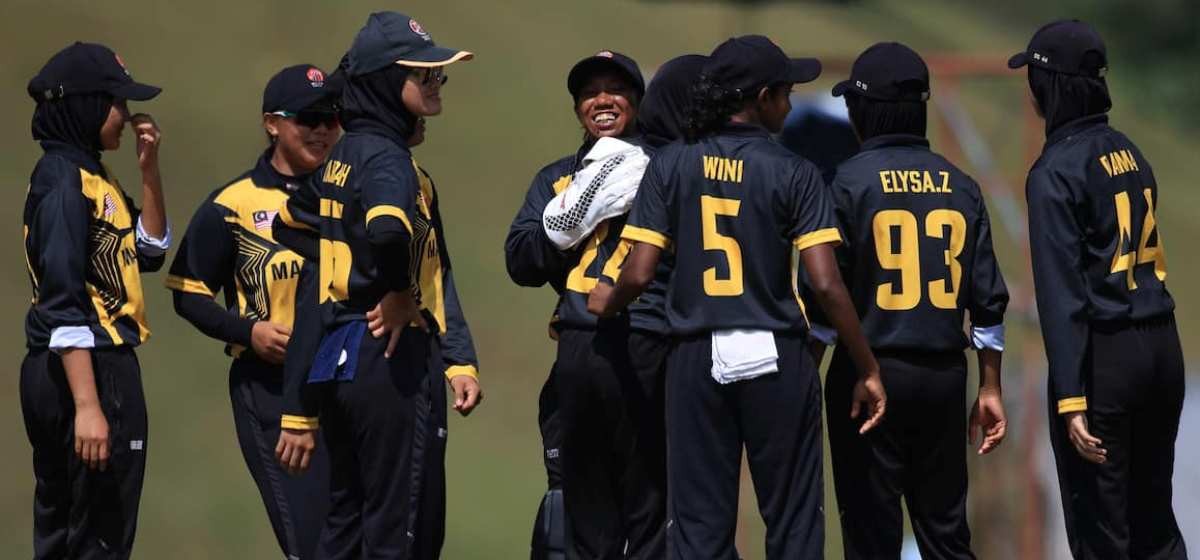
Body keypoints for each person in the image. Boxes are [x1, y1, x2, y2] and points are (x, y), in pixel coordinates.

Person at [589, 35, 887, 559]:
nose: (790, 105)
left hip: (694, 354)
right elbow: (824, 282)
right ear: (762, 97)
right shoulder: (795, 170)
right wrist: (866, 366)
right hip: (778, 354)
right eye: (786, 93)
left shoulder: (671, 164)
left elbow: (638, 273)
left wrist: (605, 303)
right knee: (793, 524)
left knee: (700, 528)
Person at [276, 12, 483, 558]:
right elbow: (389, 231)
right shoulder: (389, 159)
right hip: (387, 354)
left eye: (438, 73)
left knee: (346, 523)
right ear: (387, 82)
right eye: (424, 74)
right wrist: (394, 294)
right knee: (401, 529)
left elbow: (289, 222)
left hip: (339, 354)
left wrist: (345, 260)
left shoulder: (343, 155)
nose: (436, 83)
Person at [814, 42, 1010, 560]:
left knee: (870, 536)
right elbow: (988, 301)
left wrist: (806, 374)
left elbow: (823, 297)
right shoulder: (961, 186)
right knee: (946, 534)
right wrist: (990, 385)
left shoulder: (847, 183)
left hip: (867, 375)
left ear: (865, 111)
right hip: (943, 380)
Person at [1010, 19, 1186, 559]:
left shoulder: (1054, 171)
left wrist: (1071, 396)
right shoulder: (1129, 151)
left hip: (1105, 360)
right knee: (1155, 525)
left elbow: (1061, 297)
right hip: (1162, 349)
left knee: (1102, 533)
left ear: (1050, 87)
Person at [165, 64, 340, 559]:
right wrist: (249, 331)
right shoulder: (232, 205)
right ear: (272, 124)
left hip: (345, 384)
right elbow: (188, 292)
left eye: (331, 118)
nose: (322, 130)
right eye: (308, 119)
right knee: (312, 542)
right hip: (271, 388)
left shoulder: (350, 193)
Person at [506, 49, 670, 559]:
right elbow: (520, 261)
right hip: (580, 348)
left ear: (638, 101)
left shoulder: (663, 166)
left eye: (615, 90)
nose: (602, 100)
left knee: (651, 511)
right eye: (589, 93)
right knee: (584, 513)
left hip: (647, 343)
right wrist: (574, 219)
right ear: (576, 106)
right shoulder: (557, 177)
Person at [20, 42, 169, 559]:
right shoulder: (65, 183)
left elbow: (149, 250)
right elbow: (62, 299)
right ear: (84, 104)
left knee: (68, 534)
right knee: (99, 536)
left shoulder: (90, 175)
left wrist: (149, 172)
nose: (126, 116)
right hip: (88, 367)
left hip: (75, 365)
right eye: (116, 103)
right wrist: (88, 406)